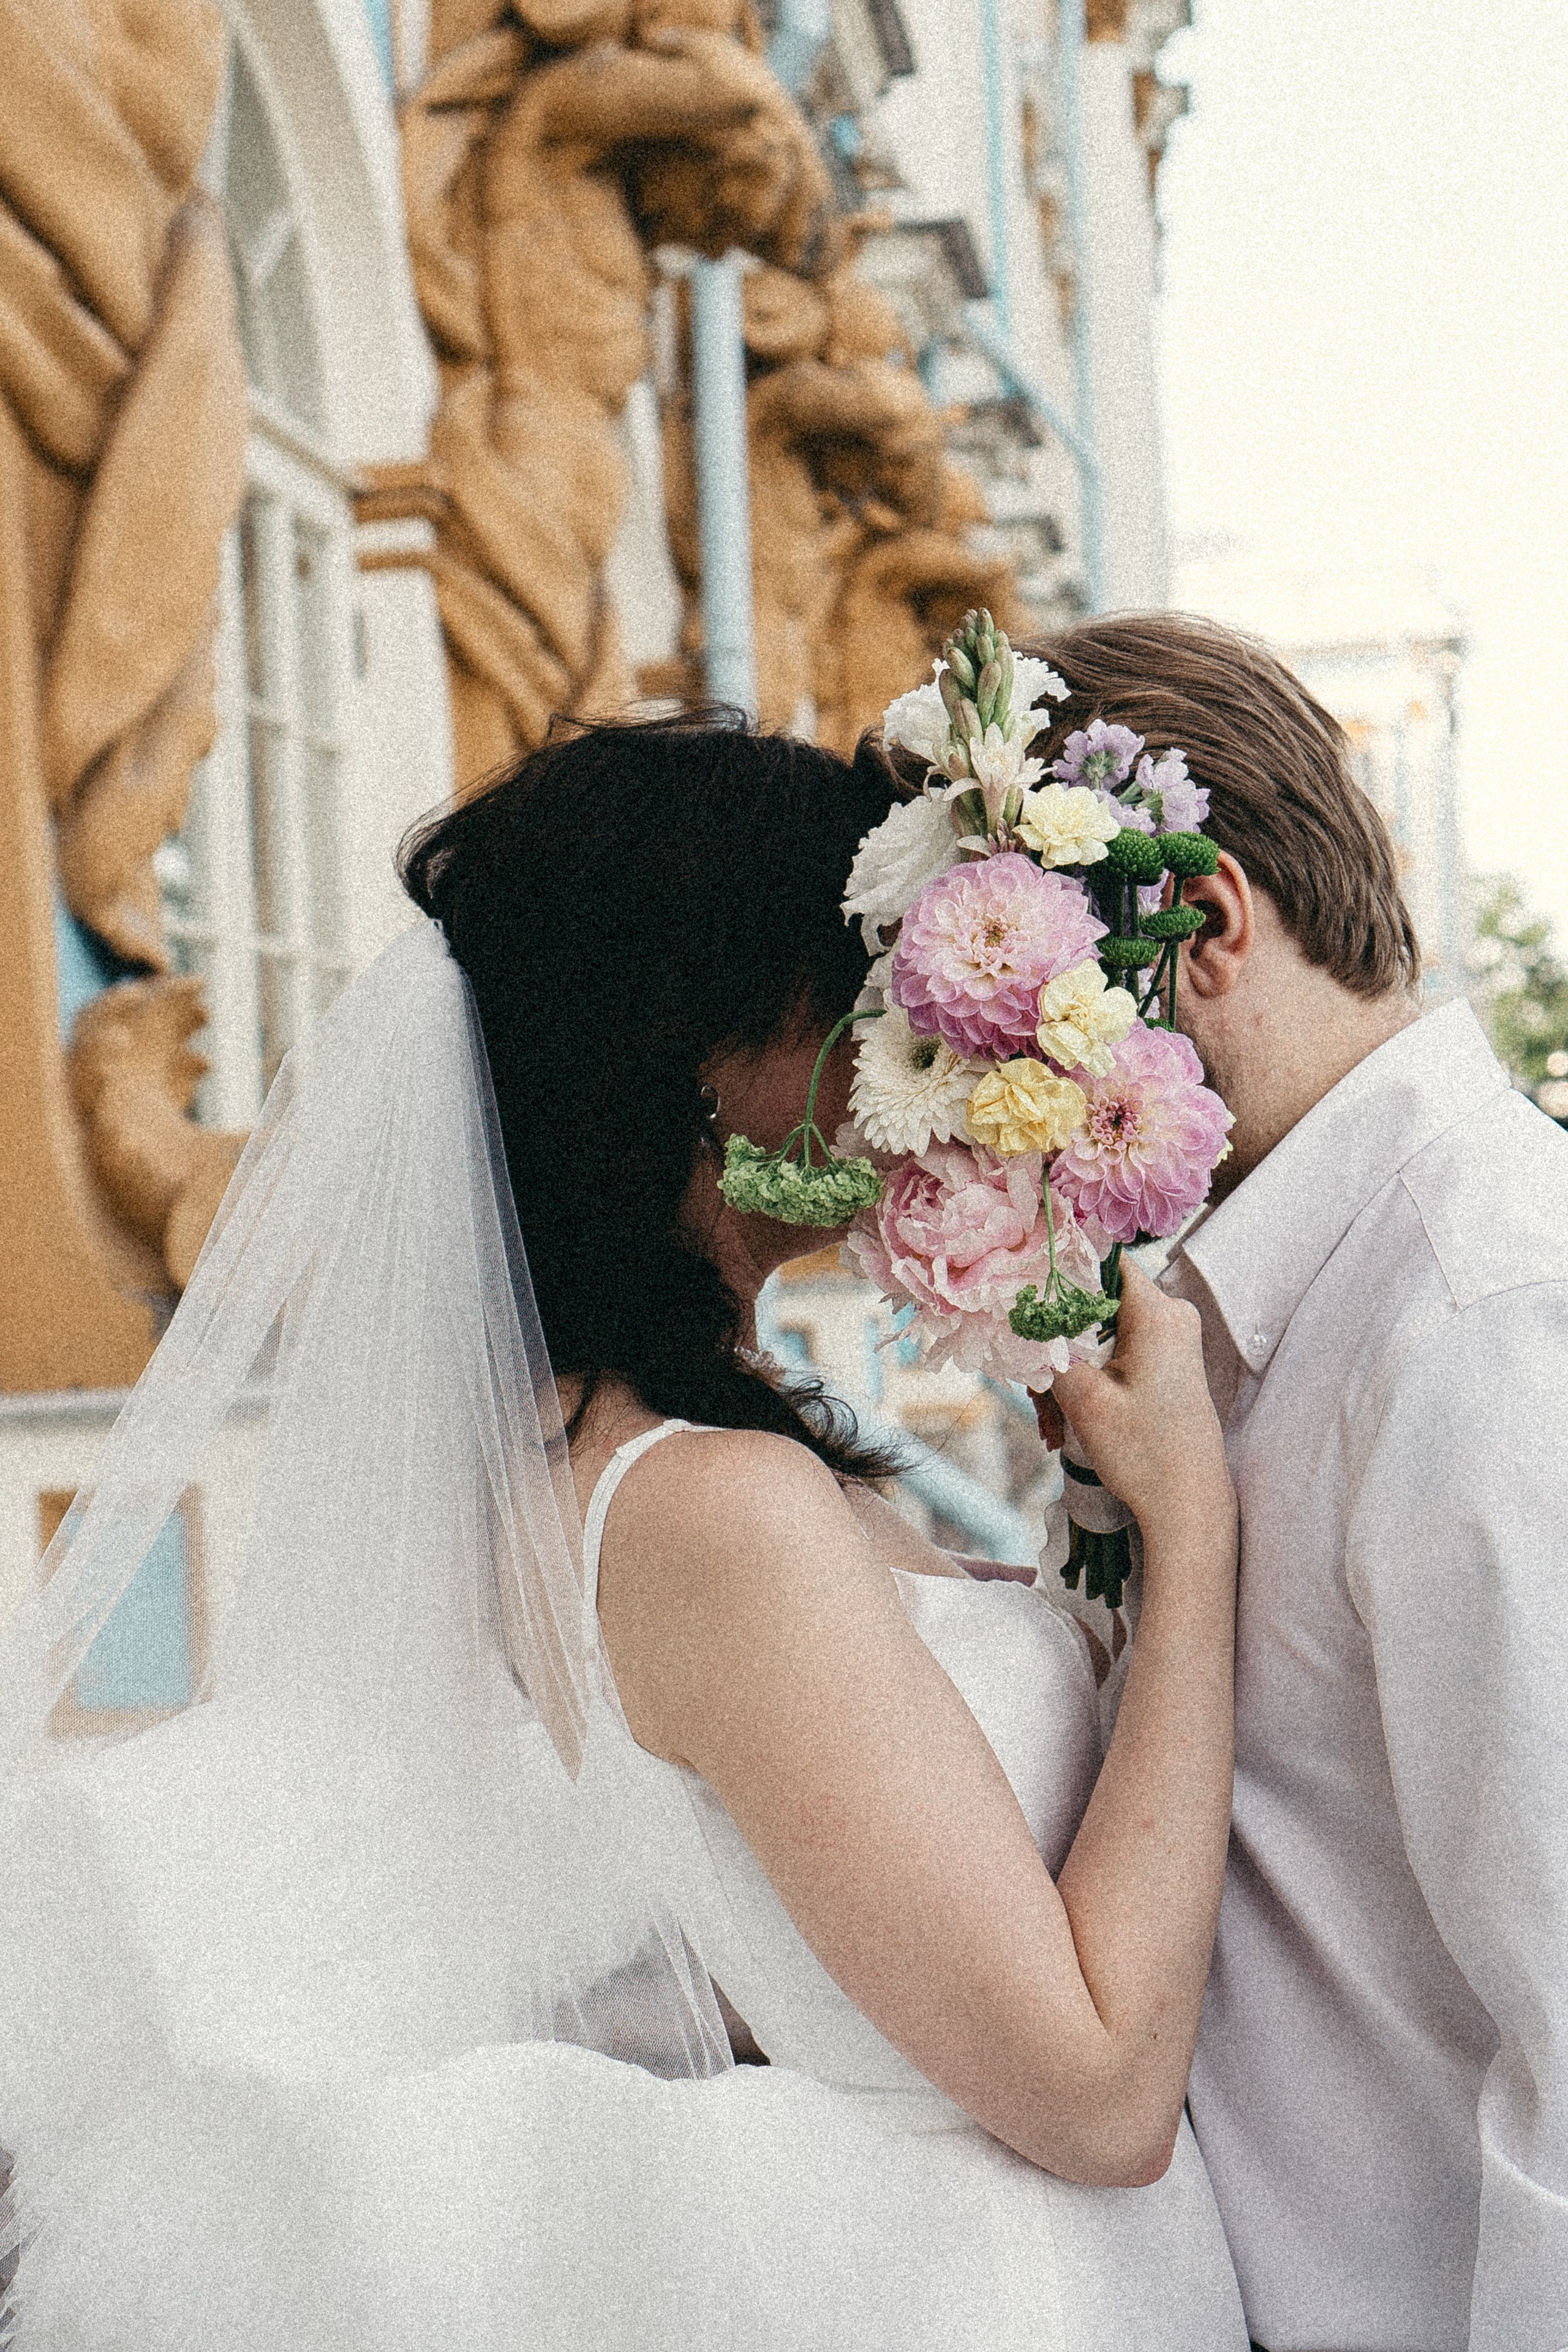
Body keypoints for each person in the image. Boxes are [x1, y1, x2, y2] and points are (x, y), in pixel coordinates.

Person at [0, 713, 1247, 2348]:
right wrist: (1198, 1545)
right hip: (993, 2280)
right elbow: (1096, 2097)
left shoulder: (615, 1455)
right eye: (858, 989)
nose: (914, 1041)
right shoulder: (714, 1510)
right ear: (709, 1062)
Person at [1027, 614, 1568, 2352]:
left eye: (1010, 1019)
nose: (995, 1101)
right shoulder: (1234, 1316)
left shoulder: (1483, 1312)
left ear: (1198, 929)